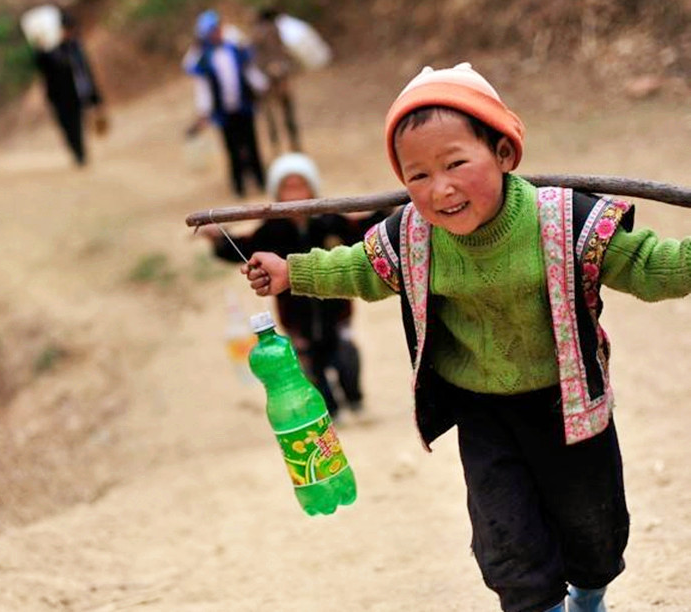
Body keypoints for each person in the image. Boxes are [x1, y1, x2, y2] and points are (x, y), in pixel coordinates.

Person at [241, 63, 691, 612]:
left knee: (594, 535)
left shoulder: (565, 221)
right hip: (483, 414)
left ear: (504, 153)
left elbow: (652, 267)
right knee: (509, 545)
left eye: (456, 163)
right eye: (418, 176)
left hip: (567, 406)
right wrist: (292, 273)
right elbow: (358, 267)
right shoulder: (412, 236)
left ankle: (589, 596)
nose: (441, 189)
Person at [202, 152, 385, 421]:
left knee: (346, 356)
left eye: (301, 185)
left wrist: (385, 213)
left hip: (337, 312)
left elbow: (362, 231)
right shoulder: (270, 231)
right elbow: (243, 247)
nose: (295, 194)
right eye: (287, 187)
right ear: (277, 194)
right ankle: (331, 411)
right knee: (310, 366)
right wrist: (220, 240)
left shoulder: (331, 221)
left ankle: (355, 401)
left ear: (313, 189)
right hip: (296, 317)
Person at [184, 9, 269, 198]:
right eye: (212, 31)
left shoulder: (235, 49)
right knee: (232, 149)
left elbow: (249, 72)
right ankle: (239, 187)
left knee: (252, 144)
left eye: (218, 28)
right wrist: (204, 112)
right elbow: (203, 87)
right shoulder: (203, 58)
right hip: (223, 113)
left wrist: (262, 86)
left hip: (244, 106)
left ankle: (260, 181)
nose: (217, 33)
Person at [33, 9, 106, 167]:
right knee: (67, 127)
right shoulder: (49, 51)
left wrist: (95, 96)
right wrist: (41, 48)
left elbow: (85, 72)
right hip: (59, 98)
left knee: (78, 123)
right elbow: (42, 65)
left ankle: (80, 153)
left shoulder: (75, 47)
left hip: (75, 94)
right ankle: (77, 152)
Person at [250, 7, 301, 154]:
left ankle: (279, 146)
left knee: (273, 114)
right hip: (274, 77)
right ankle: (291, 144)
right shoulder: (272, 31)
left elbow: (258, 58)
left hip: (270, 77)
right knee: (284, 111)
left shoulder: (258, 33)